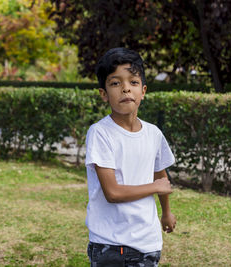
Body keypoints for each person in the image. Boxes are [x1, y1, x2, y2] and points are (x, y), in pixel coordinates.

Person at [85, 47, 177, 267]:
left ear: (143, 91)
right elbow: (113, 193)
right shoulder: (100, 133)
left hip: (148, 242)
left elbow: (160, 173)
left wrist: (166, 213)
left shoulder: (153, 133)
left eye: (133, 82)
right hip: (112, 245)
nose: (126, 88)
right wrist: (155, 187)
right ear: (104, 93)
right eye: (116, 83)